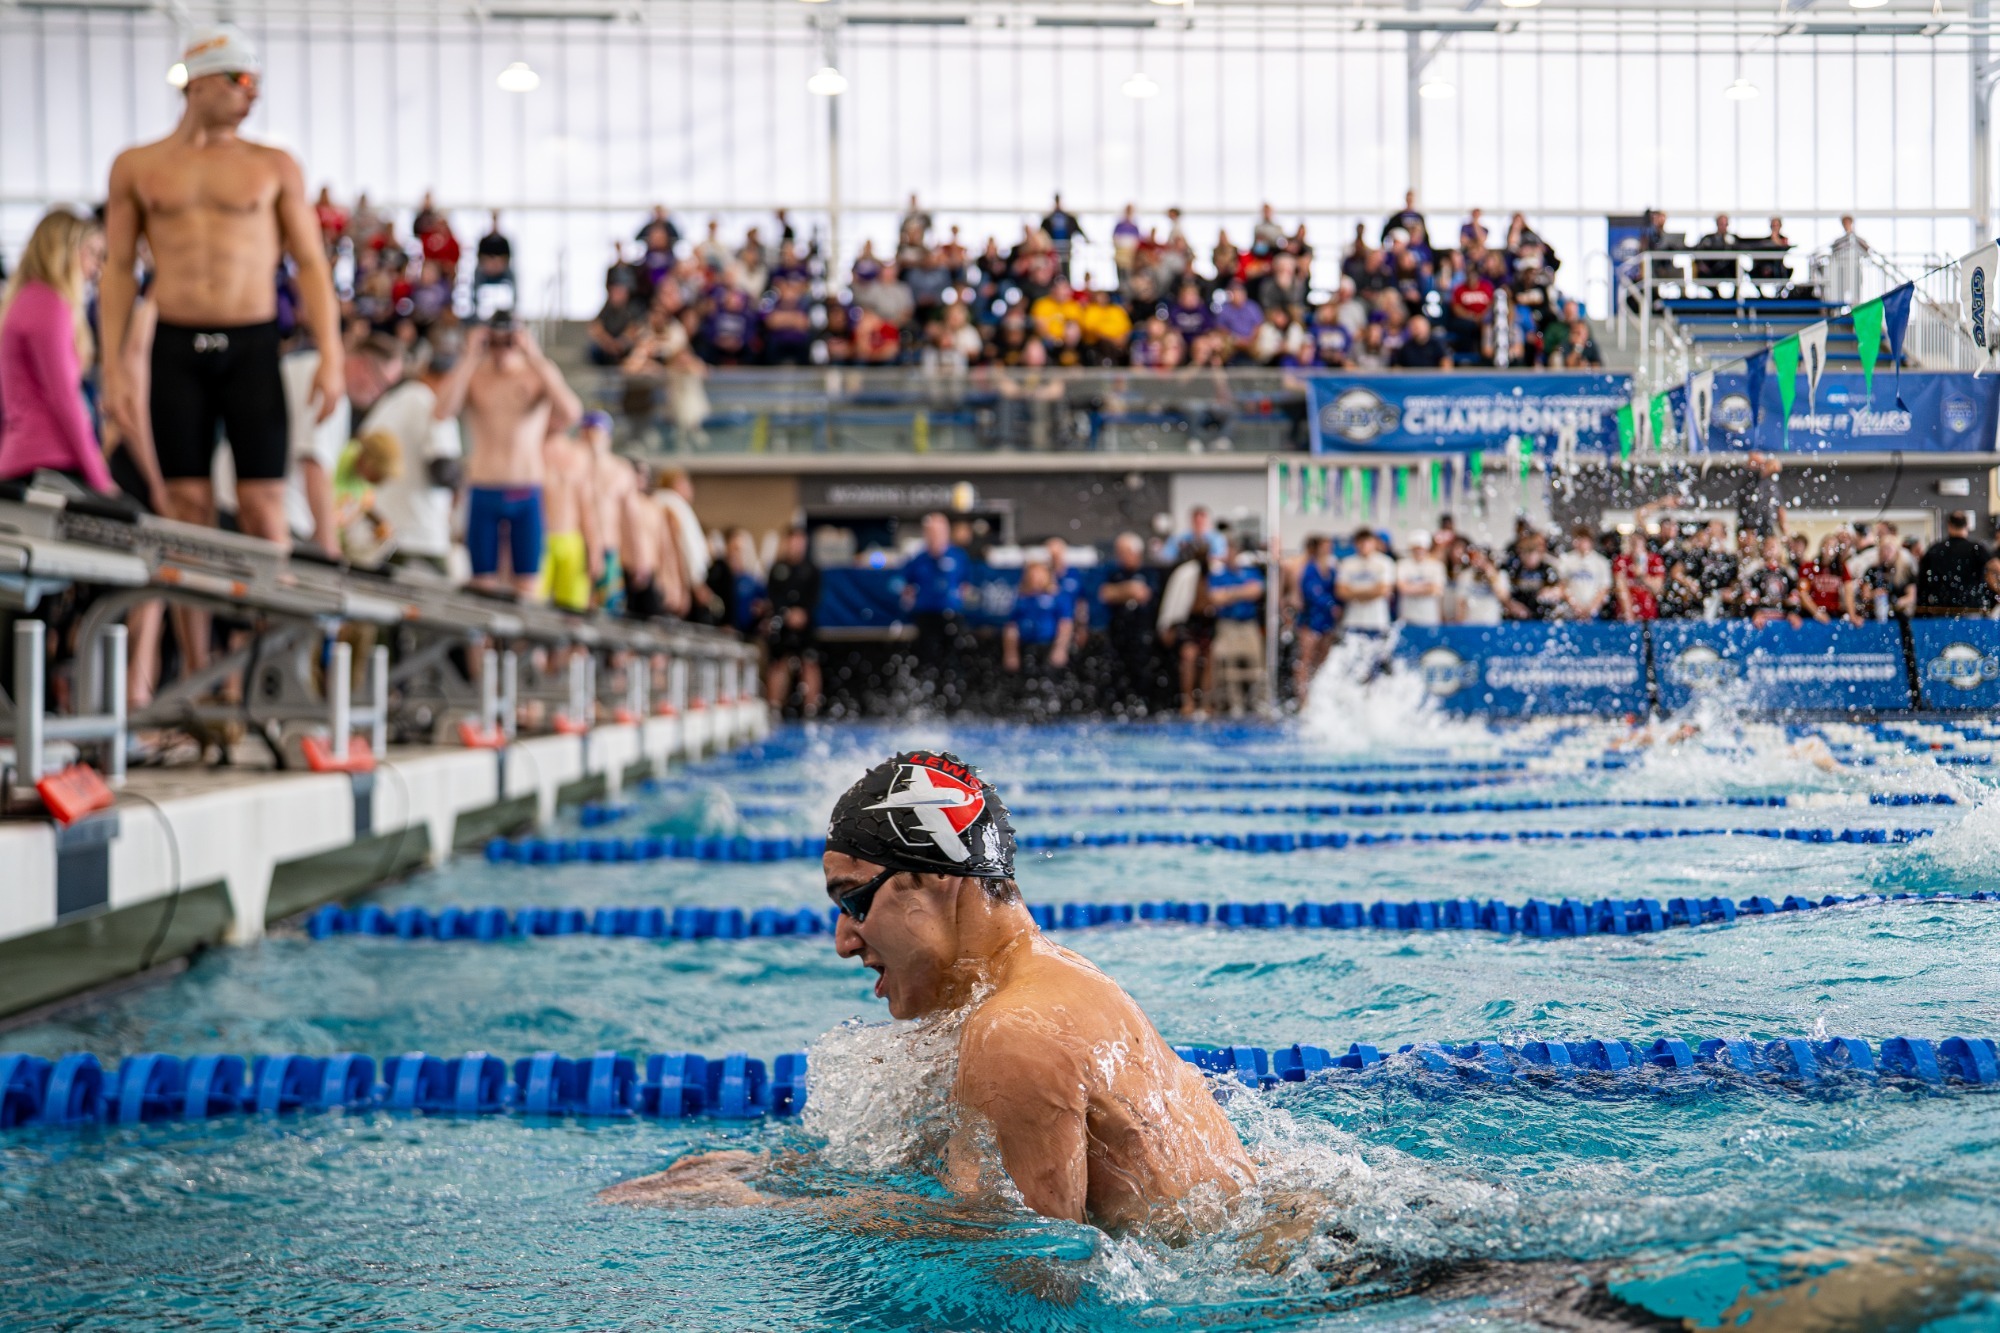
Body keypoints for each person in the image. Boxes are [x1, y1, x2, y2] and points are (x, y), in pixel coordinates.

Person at [605, 751, 1257, 1233]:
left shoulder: (1017, 1032)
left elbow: (1041, 1276)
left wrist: (772, 1210)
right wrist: (772, 1171)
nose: (843, 940)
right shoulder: (1043, 989)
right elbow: (985, 1200)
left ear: (934, 877)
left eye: (853, 900)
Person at [100, 25, 343, 548]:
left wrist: (332, 354)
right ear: (198, 82)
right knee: (185, 506)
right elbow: (118, 269)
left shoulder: (273, 165)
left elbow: (310, 263)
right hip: (175, 348)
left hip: (251, 346)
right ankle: (197, 610)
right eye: (240, 80)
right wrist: (113, 367)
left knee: (263, 506)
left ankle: (273, 606)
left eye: (256, 82)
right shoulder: (137, 166)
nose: (252, 93)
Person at [436, 311, 582, 597]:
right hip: (484, 488)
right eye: (495, 342)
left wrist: (536, 357)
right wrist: (468, 357)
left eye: (508, 342)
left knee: (527, 586)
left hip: (526, 490)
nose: (501, 350)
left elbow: (572, 414)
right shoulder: (475, 376)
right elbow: (441, 411)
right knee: (482, 584)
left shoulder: (537, 374)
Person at [0, 209, 110, 491]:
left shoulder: (24, 299)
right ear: (66, 251)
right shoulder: (49, 305)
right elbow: (65, 398)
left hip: (25, 456)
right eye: (92, 253)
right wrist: (100, 479)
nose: (96, 266)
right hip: (47, 459)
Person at [356, 337, 462, 575]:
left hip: (382, 531)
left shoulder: (393, 400)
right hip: (422, 536)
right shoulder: (434, 405)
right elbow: (443, 470)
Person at [901, 511, 972, 693]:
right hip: (926, 614)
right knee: (928, 656)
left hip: (951, 614)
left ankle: (955, 694)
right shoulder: (919, 559)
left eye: (938, 531)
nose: (935, 536)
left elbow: (966, 584)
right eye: (931, 532)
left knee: (954, 657)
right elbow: (906, 584)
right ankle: (928, 694)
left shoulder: (958, 556)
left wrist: (959, 599)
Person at [537, 422, 600, 614]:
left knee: (573, 613)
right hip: (537, 537)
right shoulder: (530, 449)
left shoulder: (579, 456)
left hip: (571, 539)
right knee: (530, 606)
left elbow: (587, 506)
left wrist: (594, 548)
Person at [1098, 532, 1160, 716]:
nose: (1120, 556)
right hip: (1118, 630)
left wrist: (1119, 592)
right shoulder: (1114, 572)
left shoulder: (1148, 573)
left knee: (1141, 669)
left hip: (1140, 630)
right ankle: (1116, 706)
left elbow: (1144, 594)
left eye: (1124, 552)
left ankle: (1143, 705)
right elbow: (1105, 594)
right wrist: (1129, 589)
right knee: (1116, 669)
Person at [762, 526, 822, 717]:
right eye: (793, 541)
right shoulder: (777, 569)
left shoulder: (812, 570)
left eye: (800, 541)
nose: (797, 545)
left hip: (805, 625)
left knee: (809, 662)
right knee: (779, 663)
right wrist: (786, 614)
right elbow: (773, 597)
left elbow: (815, 598)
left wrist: (803, 614)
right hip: (783, 624)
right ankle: (774, 706)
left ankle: (811, 707)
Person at [580, 411, 631, 611]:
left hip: (610, 550)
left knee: (610, 612)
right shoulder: (575, 466)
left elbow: (630, 520)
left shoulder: (620, 470)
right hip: (579, 547)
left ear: (607, 437)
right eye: (586, 433)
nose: (589, 438)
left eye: (594, 433)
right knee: (575, 610)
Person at [1916, 510, 1998, 615]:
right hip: (1972, 609)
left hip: (1941, 610)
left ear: (1949, 526)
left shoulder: (1935, 550)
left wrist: (1922, 607)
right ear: (1967, 526)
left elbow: (1922, 583)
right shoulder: (1976, 549)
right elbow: (1995, 567)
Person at [1291, 535, 1338, 701]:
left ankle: (1317, 693)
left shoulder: (1332, 569)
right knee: (1306, 658)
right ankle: (1303, 698)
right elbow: (1311, 593)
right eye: (1324, 546)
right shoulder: (1308, 568)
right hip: (1310, 618)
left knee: (1322, 658)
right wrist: (1331, 605)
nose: (1328, 549)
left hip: (1326, 619)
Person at [1335, 527, 1395, 636]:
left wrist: (1354, 592)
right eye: (1360, 542)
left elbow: (1383, 590)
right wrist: (1371, 591)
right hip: (1352, 620)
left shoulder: (1385, 562)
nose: (1364, 545)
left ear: (1374, 543)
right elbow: (1341, 591)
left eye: (1367, 542)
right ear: (1355, 544)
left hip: (1377, 620)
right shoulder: (1347, 563)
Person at [1555, 525, 1612, 621]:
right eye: (1579, 539)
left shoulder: (1601, 562)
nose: (1581, 543)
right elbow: (1563, 585)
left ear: (1591, 541)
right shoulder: (1566, 560)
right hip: (1570, 613)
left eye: (1584, 540)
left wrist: (1592, 609)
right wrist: (1576, 607)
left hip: (1595, 614)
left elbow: (1604, 588)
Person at [1393, 531, 1445, 627]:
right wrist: (1427, 586)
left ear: (1427, 548)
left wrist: (1411, 586)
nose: (1419, 551)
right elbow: (1402, 589)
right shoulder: (1402, 564)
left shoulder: (1436, 566)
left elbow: (1436, 589)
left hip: (1429, 618)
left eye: (1421, 548)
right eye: (1416, 548)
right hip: (1408, 617)